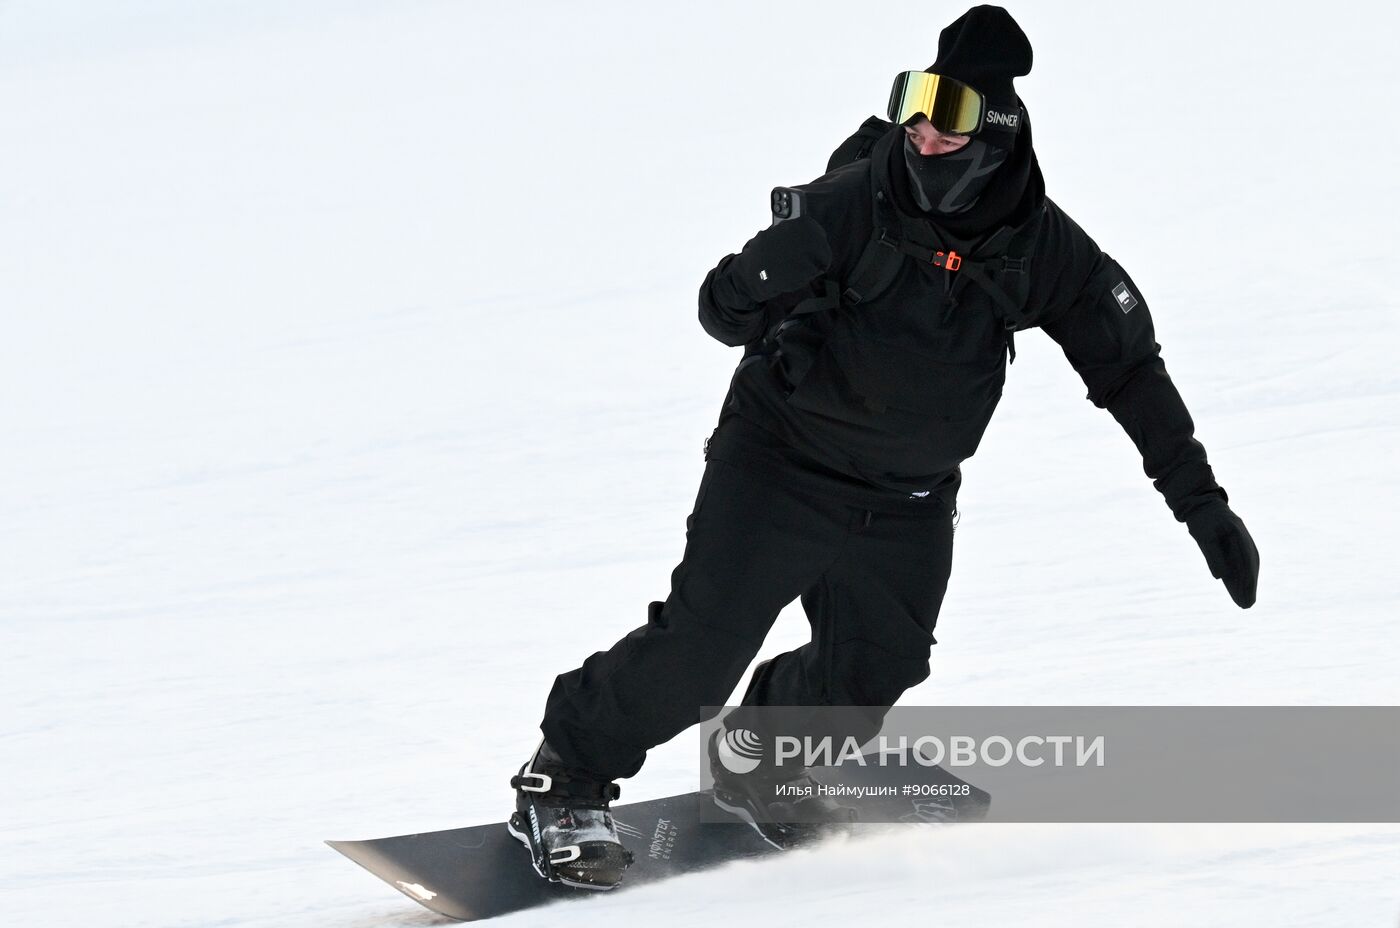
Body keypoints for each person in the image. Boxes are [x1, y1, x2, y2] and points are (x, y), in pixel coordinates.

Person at [505, 4, 1260, 890]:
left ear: (999, 138)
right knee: (701, 649)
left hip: (908, 495)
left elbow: (1129, 372)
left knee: (878, 667)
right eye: (914, 113)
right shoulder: (848, 204)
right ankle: (565, 772)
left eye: (949, 126)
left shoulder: (1044, 249)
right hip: (780, 463)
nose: (923, 138)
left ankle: (766, 758)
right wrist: (757, 275)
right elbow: (720, 312)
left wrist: (1202, 504)